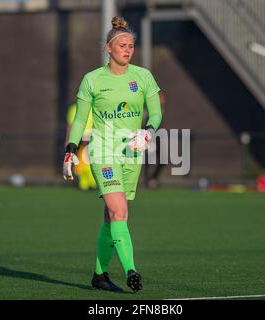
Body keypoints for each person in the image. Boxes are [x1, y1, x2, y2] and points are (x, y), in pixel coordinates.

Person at [62, 17, 162, 292]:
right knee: (119, 211)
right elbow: (80, 121)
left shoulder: (143, 77)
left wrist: (148, 131)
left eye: (131, 46)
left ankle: (99, 275)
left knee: (110, 216)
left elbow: (155, 113)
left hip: (132, 154)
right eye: (122, 46)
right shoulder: (92, 80)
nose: (127, 50)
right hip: (103, 151)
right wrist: (70, 150)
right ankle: (131, 270)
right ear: (109, 47)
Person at [64, 102, 97, 191]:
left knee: (85, 160)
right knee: (83, 160)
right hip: (83, 137)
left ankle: (88, 183)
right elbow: (70, 125)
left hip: (86, 136)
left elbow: (70, 125)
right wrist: (68, 139)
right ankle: (87, 183)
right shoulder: (74, 108)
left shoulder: (92, 107)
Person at [143, 91, 166, 189]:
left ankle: (152, 179)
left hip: (158, 137)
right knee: (148, 159)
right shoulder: (149, 110)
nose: (162, 100)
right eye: (160, 98)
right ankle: (147, 180)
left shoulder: (161, 110)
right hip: (149, 137)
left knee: (163, 159)